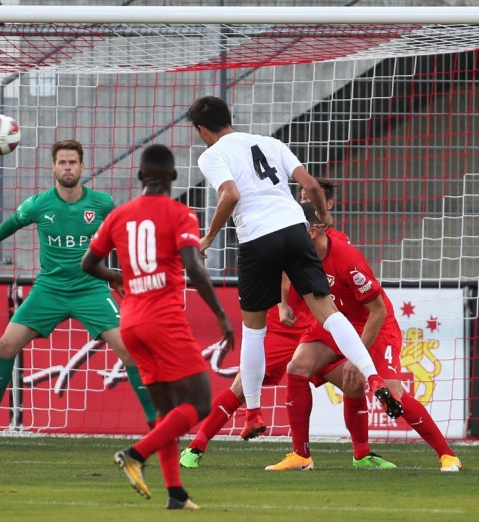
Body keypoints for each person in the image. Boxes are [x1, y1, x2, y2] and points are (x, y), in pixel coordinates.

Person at [187, 95, 401, 434]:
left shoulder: (212, 155)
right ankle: (372, 376)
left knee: (254, 331)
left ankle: (253, 413)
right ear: (229, 118)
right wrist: (324, 214)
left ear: (201, 129)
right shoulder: (270, 142)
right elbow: (311, 185)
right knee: (330, 315)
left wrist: (208, 237)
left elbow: (230, 195)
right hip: (295, 230)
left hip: (258, 238)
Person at [178, 178, 397, 469]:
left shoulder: (336, 242)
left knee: (352, 384)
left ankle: (361, 454)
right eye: (302, 195)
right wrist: (282, 304)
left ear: (327, 208)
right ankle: (196, 447)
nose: (305, 199)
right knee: (243, 384)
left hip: (317, 326)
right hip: (284, 325)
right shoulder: (288, 230)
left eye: (310, 196)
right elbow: (282, 269)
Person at [0, 139, 158, 439]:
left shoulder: (101, 203)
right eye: (62, 163)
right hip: (49, 290)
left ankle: (156, 426)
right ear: (53, 167)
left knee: (130, 350)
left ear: (82, 166)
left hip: (91, 289)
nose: (68, 168)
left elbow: (124, 233)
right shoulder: (39, 204)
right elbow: (14, 222)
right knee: (5, 346)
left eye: (73, 162)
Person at [81, 144, 235, 509]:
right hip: (163, 319)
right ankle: (136, 454)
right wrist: (220, 314)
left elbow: (88, 263)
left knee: (167, 414)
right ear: (174, 177)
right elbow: (193, 265)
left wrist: (116, 277)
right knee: (199, 403)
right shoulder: (180, 214)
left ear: (139, 176)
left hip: (130, 322)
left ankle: (175, 494)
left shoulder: (119, 216)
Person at [265, 203, 462, 472]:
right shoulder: (298, 254)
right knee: (297, 366)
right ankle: (302, 455)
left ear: (314, 230)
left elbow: (378, 311)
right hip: (335, 319)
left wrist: (356, 357)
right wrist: (283, 303)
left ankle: (447, 455)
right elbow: (285, 272)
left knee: (392, 391)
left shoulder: (348, 260)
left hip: (373, 324)